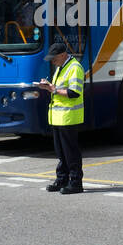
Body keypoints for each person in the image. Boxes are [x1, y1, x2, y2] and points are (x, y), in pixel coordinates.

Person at [40, 40, 85, 195]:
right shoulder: (61, 67)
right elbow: (57, 89)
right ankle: (62, 180)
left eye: (54, 58)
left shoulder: (75, 68)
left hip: (68, 117)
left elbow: (74, 92)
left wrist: (53, 89)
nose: (53, 61)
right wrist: (48, 86)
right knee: (61, 152)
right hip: (57, 117)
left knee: (71, 152)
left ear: (63, 54)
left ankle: (76, 183)